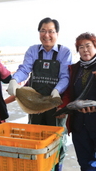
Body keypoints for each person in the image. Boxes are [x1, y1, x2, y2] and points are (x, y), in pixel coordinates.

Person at [7, 17, 72, 171]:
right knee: (35, 137)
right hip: (34, 103)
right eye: (43, 31)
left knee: (56, 139)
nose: (46, 35)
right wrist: (14, 81)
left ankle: (57, 168)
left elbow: (65, 76)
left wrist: (57, 91)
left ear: (57, 33)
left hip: (55, 104)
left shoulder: (64, 52)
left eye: (51, 31)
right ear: (39, 33)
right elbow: (24, 69)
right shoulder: (33, 50)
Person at [59, 32, 96, 171]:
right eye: (81, 47)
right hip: (80, 125)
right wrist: (63, 107)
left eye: (88, 45)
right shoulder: (74, 68)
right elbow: (69, 93)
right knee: (86, 164)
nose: (85, 49)